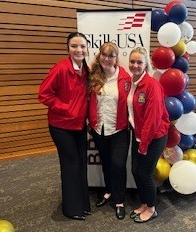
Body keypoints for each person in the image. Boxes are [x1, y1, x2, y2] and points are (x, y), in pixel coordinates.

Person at [38, 32, 90, 220]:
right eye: (74, 46)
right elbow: (43, 95)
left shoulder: (86, 69)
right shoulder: (60, 69)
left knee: (81, 163)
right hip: (61, 127)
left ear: (87, 48)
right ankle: (71, 209)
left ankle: (83, 204)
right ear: (67, 48)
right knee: (71, 164)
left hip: (79, 126)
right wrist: (67, 109)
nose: (79, 50)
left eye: (82, 46)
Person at [88, 42, 131, 220]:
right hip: (99, 129)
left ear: (116, 58)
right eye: (104, 55)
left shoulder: (125, 78)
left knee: (118, 165)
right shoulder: (94, 77)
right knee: (105, 162)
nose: (107, 58)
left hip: (119, 129)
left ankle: (119, 200)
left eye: (111, 55)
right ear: (100, 56)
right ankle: (108, 191)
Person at [127, 47, 170, 223]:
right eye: (132, 61)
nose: (135, 65)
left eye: (139, 62)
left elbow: (152, 119)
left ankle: (151, 209)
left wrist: (143, 144)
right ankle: (144, 203)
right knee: (136, 171)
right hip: (139, 134)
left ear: (146, 65)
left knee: (145, 173)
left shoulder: (152, 85)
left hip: (153, 136)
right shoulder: (132, 82)